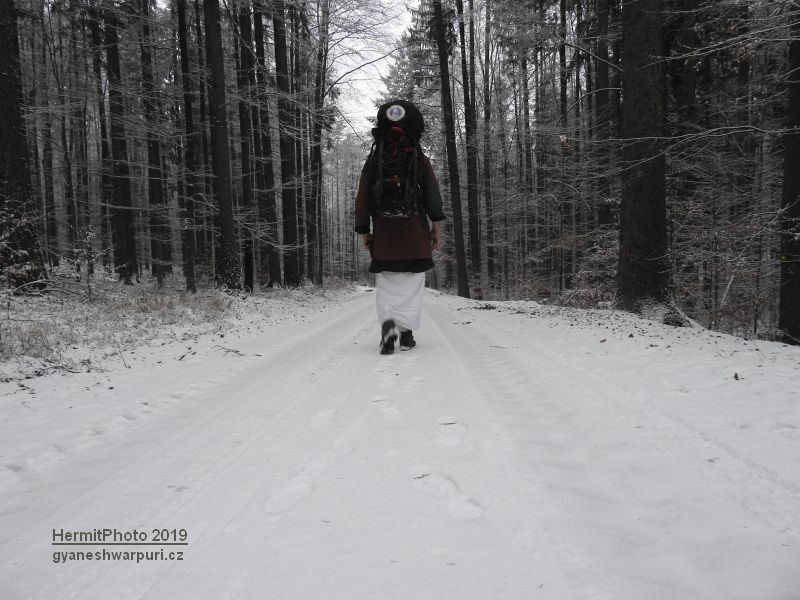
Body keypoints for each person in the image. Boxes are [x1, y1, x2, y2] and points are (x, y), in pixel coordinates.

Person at [354, 100, 446, 354]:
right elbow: (432, 194)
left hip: (384, 233)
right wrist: (435, 228)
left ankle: (389, 326)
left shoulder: (374, 159)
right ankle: (406, 334)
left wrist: (364, 231)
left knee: (387, 284)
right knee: (412, 285)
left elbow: (362, 197)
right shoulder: (419, 157)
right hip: (415, 232)